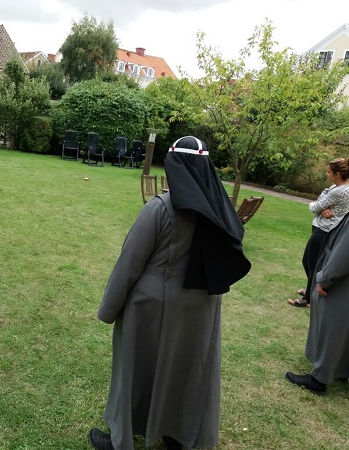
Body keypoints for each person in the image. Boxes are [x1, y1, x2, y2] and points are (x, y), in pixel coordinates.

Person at [89, 136, 251, 450]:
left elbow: (129, 263)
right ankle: (178, 435)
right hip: (202, 307)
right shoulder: (221, 210)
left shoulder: (160, 209)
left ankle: (121, 441)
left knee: (137, 370)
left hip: (151, 308)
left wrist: (108, 309)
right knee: (187, 372)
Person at [286, 209, 349, 396]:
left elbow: (344, 253)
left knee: (333, 327)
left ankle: (319, 379)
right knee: (343, 329)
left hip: (342, 283)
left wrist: (325, 278)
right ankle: (340, 370)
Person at [287, 158, 349, 307]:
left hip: (324, 231)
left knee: (312, 264)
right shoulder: (338, 187)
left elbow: (314, 207)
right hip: (325, 230)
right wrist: (322, 207)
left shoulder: (339, 191)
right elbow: (321, 201)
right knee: (309, 262)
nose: (326, 174)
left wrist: (319, 207)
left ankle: (308, 299)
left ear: (337, 174)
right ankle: (310, 289)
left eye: (328, 172)